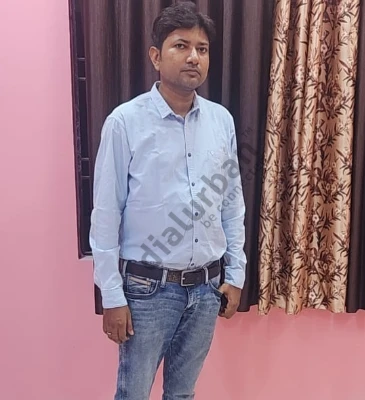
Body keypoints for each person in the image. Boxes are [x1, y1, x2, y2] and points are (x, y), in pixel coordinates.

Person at [89, 2, 246, 399]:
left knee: (182, 394)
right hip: (147, 291)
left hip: (207, 289)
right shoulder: (125, 122)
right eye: (181, 46)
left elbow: (231, 204)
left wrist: (235, 274)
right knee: (133, 394)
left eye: (202, 49)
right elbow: (106, 214)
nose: (194, 57)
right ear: (156, 56)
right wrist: (111, 295)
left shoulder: (221, 121)